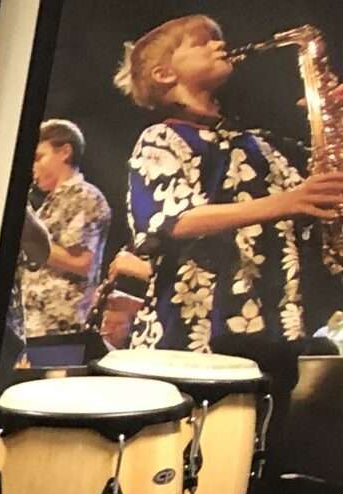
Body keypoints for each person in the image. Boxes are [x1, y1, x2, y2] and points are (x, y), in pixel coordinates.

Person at [116, 15, 343, 354]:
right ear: (164, 74)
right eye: (201, 42)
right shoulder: (161, 138)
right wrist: (288, 201)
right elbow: (172, 220)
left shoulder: (261, 145)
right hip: (191, 336)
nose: (219, 45)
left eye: (217, 39)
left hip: (274, 331)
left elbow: (316, 209)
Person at [13, 119, 113, 341]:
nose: (33, 167)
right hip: (32, 326)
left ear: (65, 152)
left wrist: (28, 237)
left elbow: (82, 263)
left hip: (59, 328)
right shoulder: (49, 204)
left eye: (39, 158)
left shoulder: (85, 196)